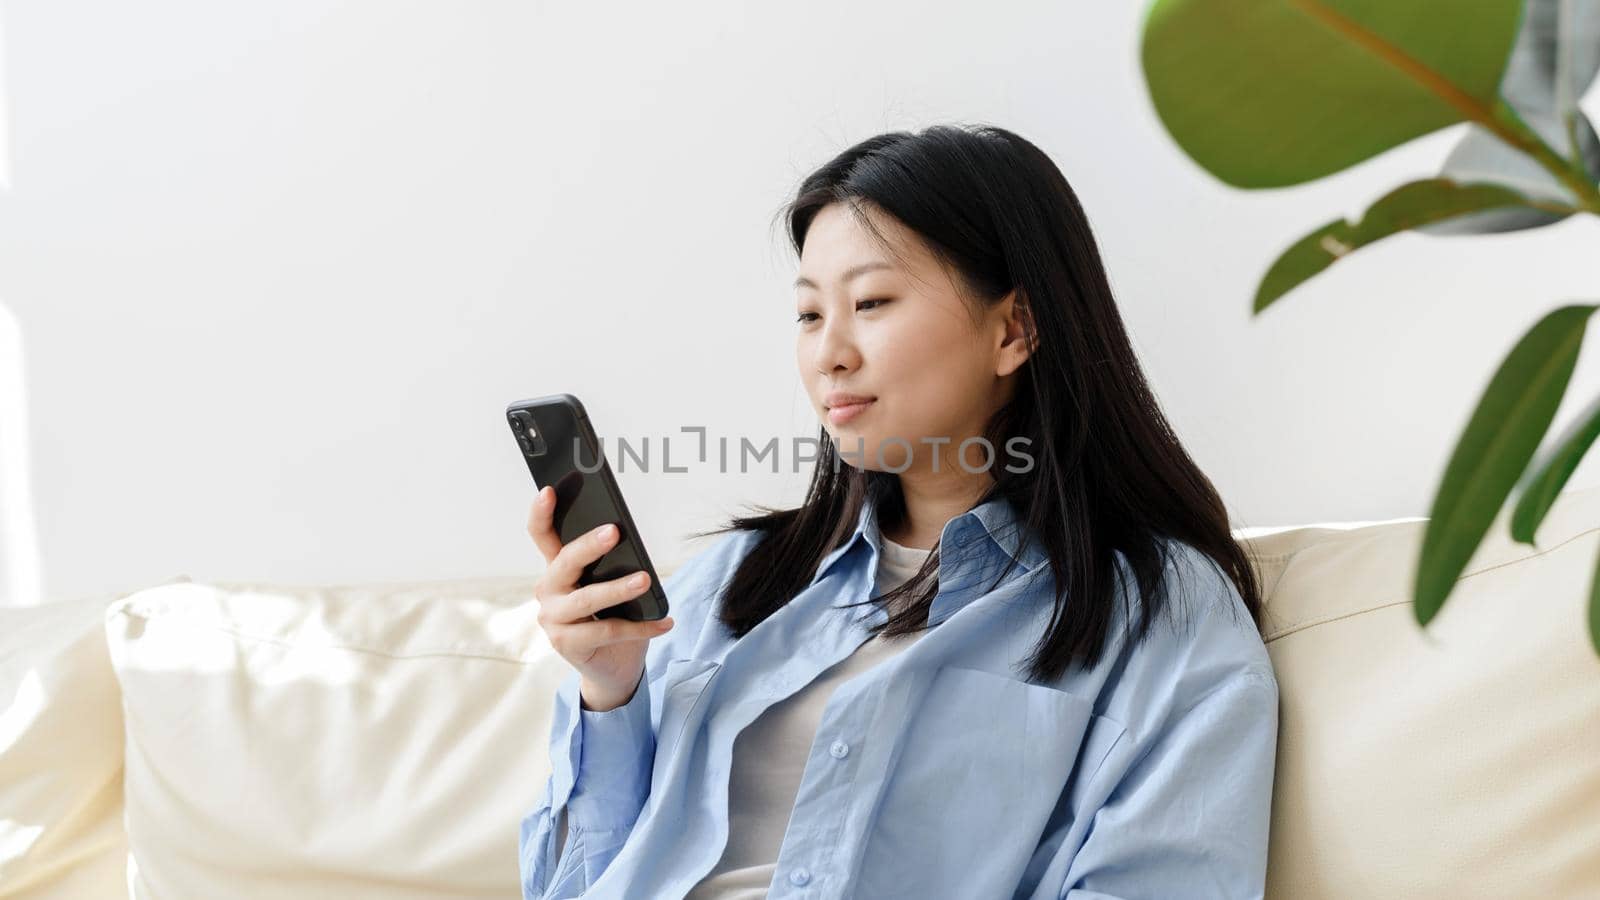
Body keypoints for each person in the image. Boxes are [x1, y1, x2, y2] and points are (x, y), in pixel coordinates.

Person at [518, 123, 1279, 900]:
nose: (829, 354)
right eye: (811, 315)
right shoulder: (733, 583)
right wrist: (609, 691)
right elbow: (569, 886)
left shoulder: (1160, 613)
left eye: (871, 302)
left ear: (1014, 328)